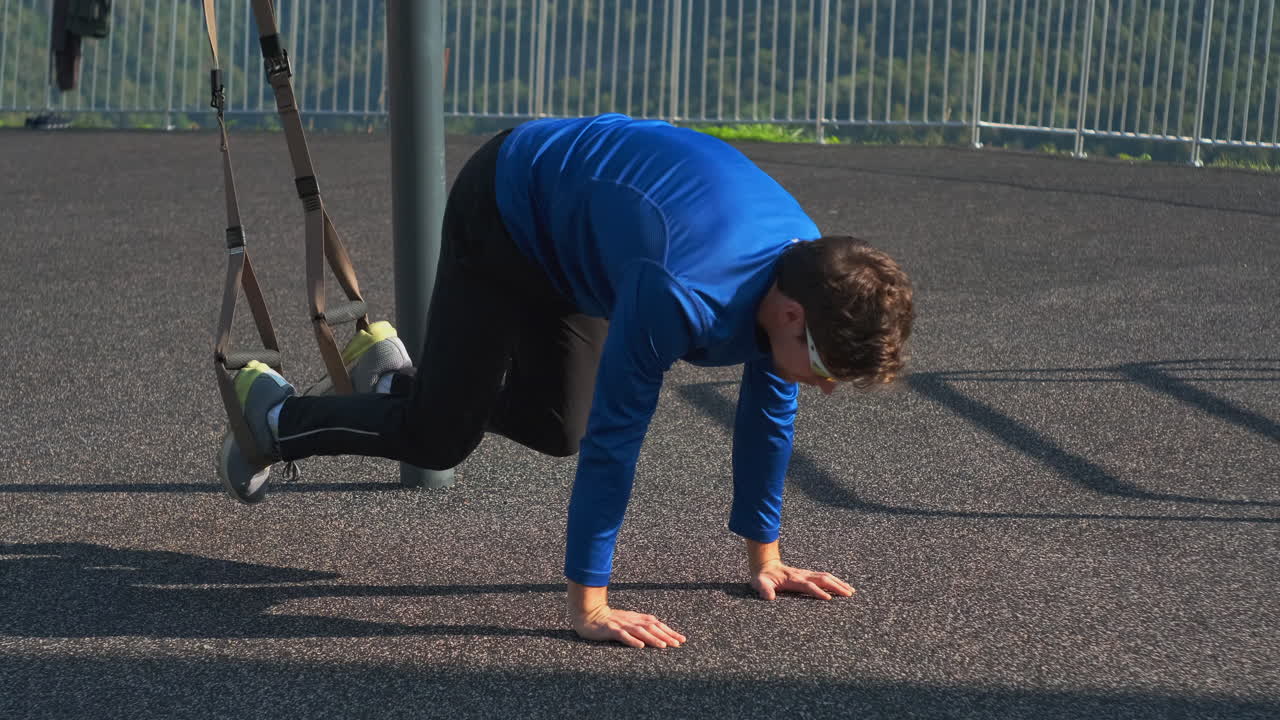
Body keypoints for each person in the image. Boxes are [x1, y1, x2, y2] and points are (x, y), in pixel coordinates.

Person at [217, 113, 914, 649]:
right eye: (826, 369)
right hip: (509, 204)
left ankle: (396, 382)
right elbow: (620, 441)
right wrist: (591, 606)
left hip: (590, 236)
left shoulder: (809, 272)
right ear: (791, 314)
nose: (823, 388)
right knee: (438, 439)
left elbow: (770, 414)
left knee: (558, 428)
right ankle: (272, 419)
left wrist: (768, 559)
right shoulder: (682, 291)